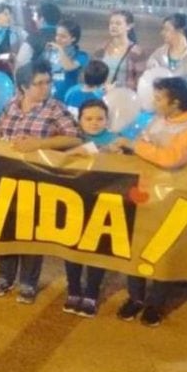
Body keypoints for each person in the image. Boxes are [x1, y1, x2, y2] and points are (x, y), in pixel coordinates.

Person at [0, 60, 82, 304]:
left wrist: (38, 144)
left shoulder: (55, 109)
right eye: (38, 84)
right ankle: (4, 276)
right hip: (7, 176)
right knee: (5, 226)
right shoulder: (10, 106)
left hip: (38, 179)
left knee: (32, 231)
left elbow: (74, 139)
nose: (45, 88)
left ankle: (28, 281)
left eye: (48, 82)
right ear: (22, 88)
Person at [110, 77, 187, 326]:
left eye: (159, 98)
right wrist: (127, 149)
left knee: (163, 249)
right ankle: (135, 298)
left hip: (174, 200)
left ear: (175, 103)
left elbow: (172, 158)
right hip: (146, 194)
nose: (153, 102)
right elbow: (145, 145)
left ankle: (156, 303)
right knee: (135, 244)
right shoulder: (159, 120)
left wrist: (134, 145)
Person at [62, 99, 116, 317]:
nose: (94, 123)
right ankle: (74, 289)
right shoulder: (71, 138)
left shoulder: (116, 140)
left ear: (107, 120)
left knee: (98, 248)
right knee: (71, 247)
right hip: (73, 202)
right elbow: (61, 158)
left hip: (103, 204)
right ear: (79, 119)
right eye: (89, 118)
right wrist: (87, 148)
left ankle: (92, 292)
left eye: (100, 118)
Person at [93, 10, 147, 90]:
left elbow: (140, 81)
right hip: (101, 96)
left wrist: (118, 87)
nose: (113, 26)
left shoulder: (137, 52)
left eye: (118, 23)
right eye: (111, 23)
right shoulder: (101, 48)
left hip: (123, 97)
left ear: (129, 26)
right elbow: (93, 74)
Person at [44, 17, 89, 102]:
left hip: (68, 98)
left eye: (63, 36)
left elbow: (68, 67)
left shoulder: (81, 55)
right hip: (49, 98)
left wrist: (60, 49)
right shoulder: (50, 52)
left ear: (73, 38)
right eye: (57, 35)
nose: (58, 39)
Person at [146, 13, 187, 82]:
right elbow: (150, 69)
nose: (162, 33)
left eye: (166, 29)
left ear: (180, 31)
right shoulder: (159, 53)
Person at [16, 1, 61, 67]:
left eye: (36, 16)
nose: (34, 19)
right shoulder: (66, 38)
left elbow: (21, 63)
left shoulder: (32, 39)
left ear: (42, 19)